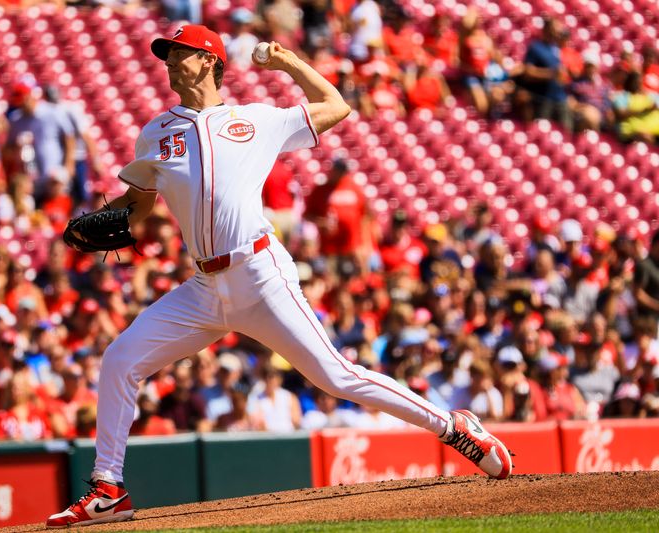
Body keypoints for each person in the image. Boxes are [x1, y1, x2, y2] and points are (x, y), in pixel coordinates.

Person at [47, 24, 513, 528]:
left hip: (259, 273)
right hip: (204, 288)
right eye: (166, 54)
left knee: (336, 376)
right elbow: (136, 207)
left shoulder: (255, 120)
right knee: (120, 359)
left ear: (210, 61)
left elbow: (337, 105)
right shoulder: (156, 131)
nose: (168, 61)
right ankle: (109, 487)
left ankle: (453, 426)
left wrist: (288, 62)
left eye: (179, 53)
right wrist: (100, 222)